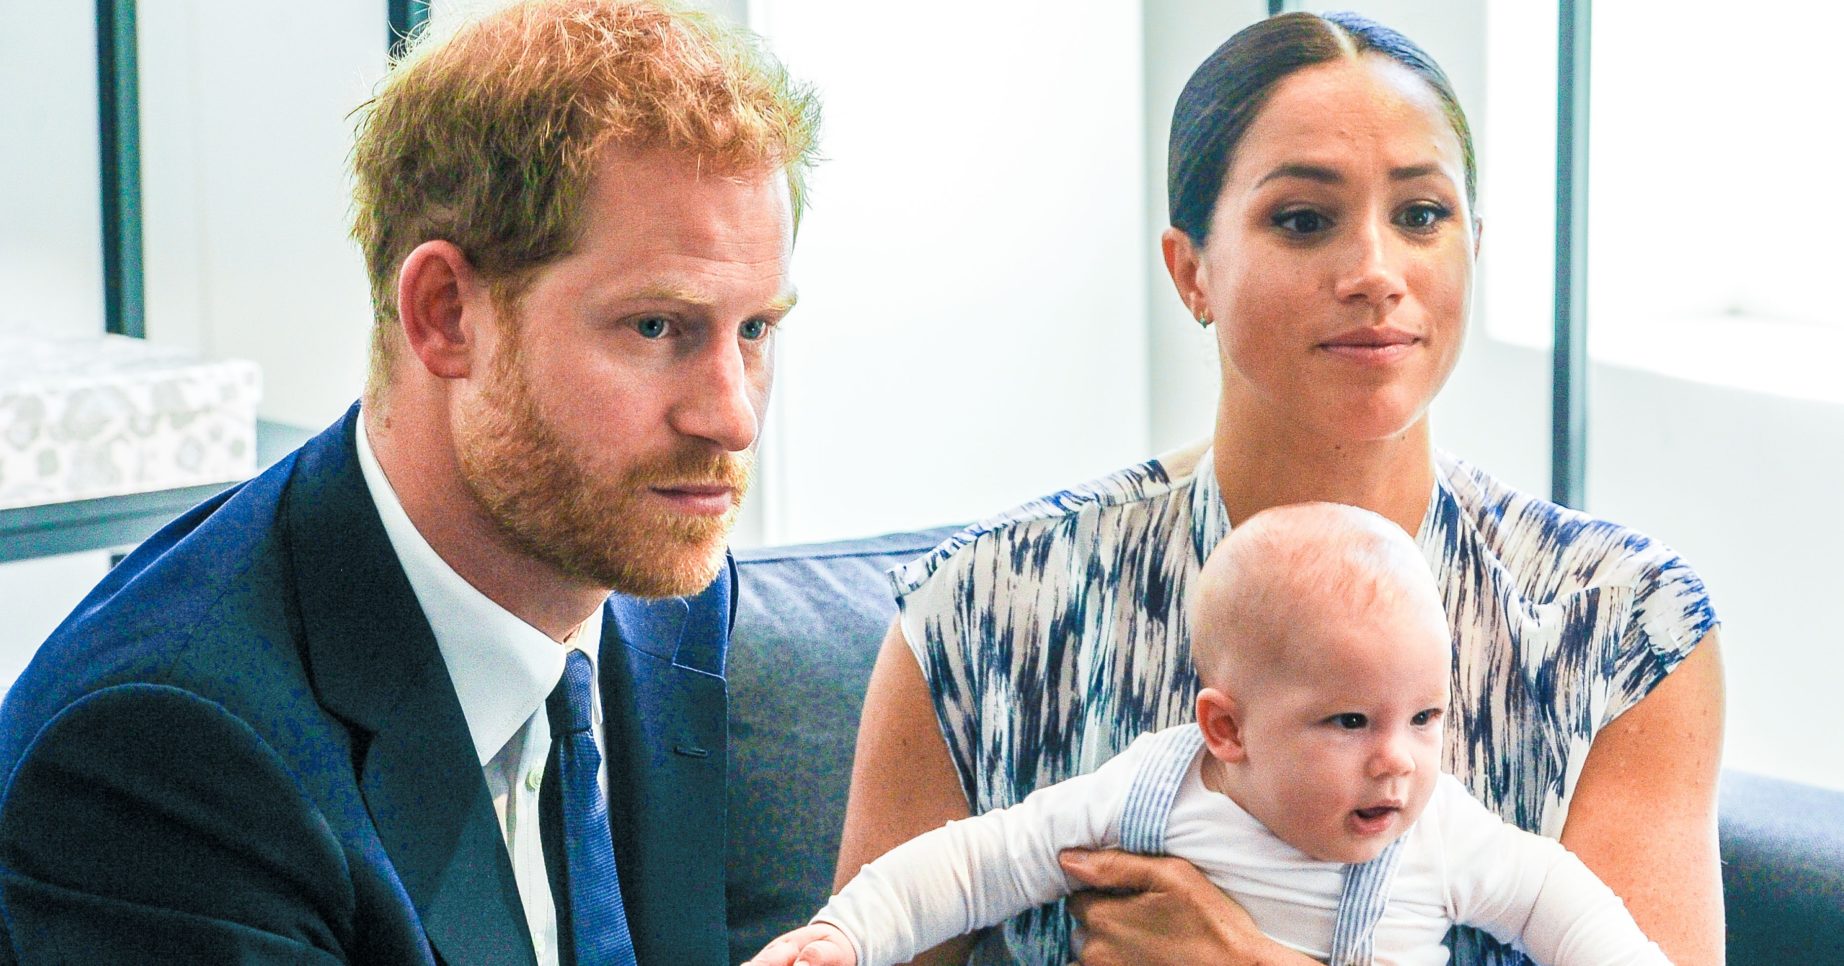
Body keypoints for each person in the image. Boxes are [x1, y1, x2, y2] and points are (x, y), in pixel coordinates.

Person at [836, 11, 1722, 966]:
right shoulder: (984, 607)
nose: (1377, 273)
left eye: (1422, 216)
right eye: (1304, 220)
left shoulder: (1623, 626)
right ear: (1192, 272)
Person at [0, 1, 816, 963]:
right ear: (445, 314)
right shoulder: (165, 761)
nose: (732, 417)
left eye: (755, 329)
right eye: (655, 328)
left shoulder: (658, 590)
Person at [750, 504, 1667, 966]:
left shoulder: (1439, 835)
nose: (1399, 758)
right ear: (1226, 729)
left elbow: (1566, 908)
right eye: (1349, 722)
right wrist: (845, 936)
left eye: (1425, 718)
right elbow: (978, 860)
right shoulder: (1154, 789)